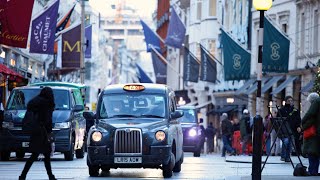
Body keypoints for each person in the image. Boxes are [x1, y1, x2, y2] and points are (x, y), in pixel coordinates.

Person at [19, 87, 56, 180]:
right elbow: (47, 120)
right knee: (46, 156)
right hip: (43, 133)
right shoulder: (46, 103)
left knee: (34, 155)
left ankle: (23, 175)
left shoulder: (34, 102)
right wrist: (50, 134)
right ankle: (50, 176)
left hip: (35, 132)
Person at [299, 92, 320, 176]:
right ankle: (314, 170)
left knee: (312, 152)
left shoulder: (316, 102)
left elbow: (310, 116)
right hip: (316, 132)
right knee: (316, 152)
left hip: (313, 133)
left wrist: (301, 125)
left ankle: (312, 170)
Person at [277, 96, 301, 162]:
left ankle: (287, 157)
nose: (290, 102)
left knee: (290, 143)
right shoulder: (282, 110)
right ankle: (283, 155)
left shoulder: (295, 110)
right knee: (286, 141)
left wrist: (298, 126)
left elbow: (298, 119)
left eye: (291, 100)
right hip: (284, 128)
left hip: (292, 128)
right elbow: (278, 119)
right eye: (289, 100)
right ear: (286, 101)